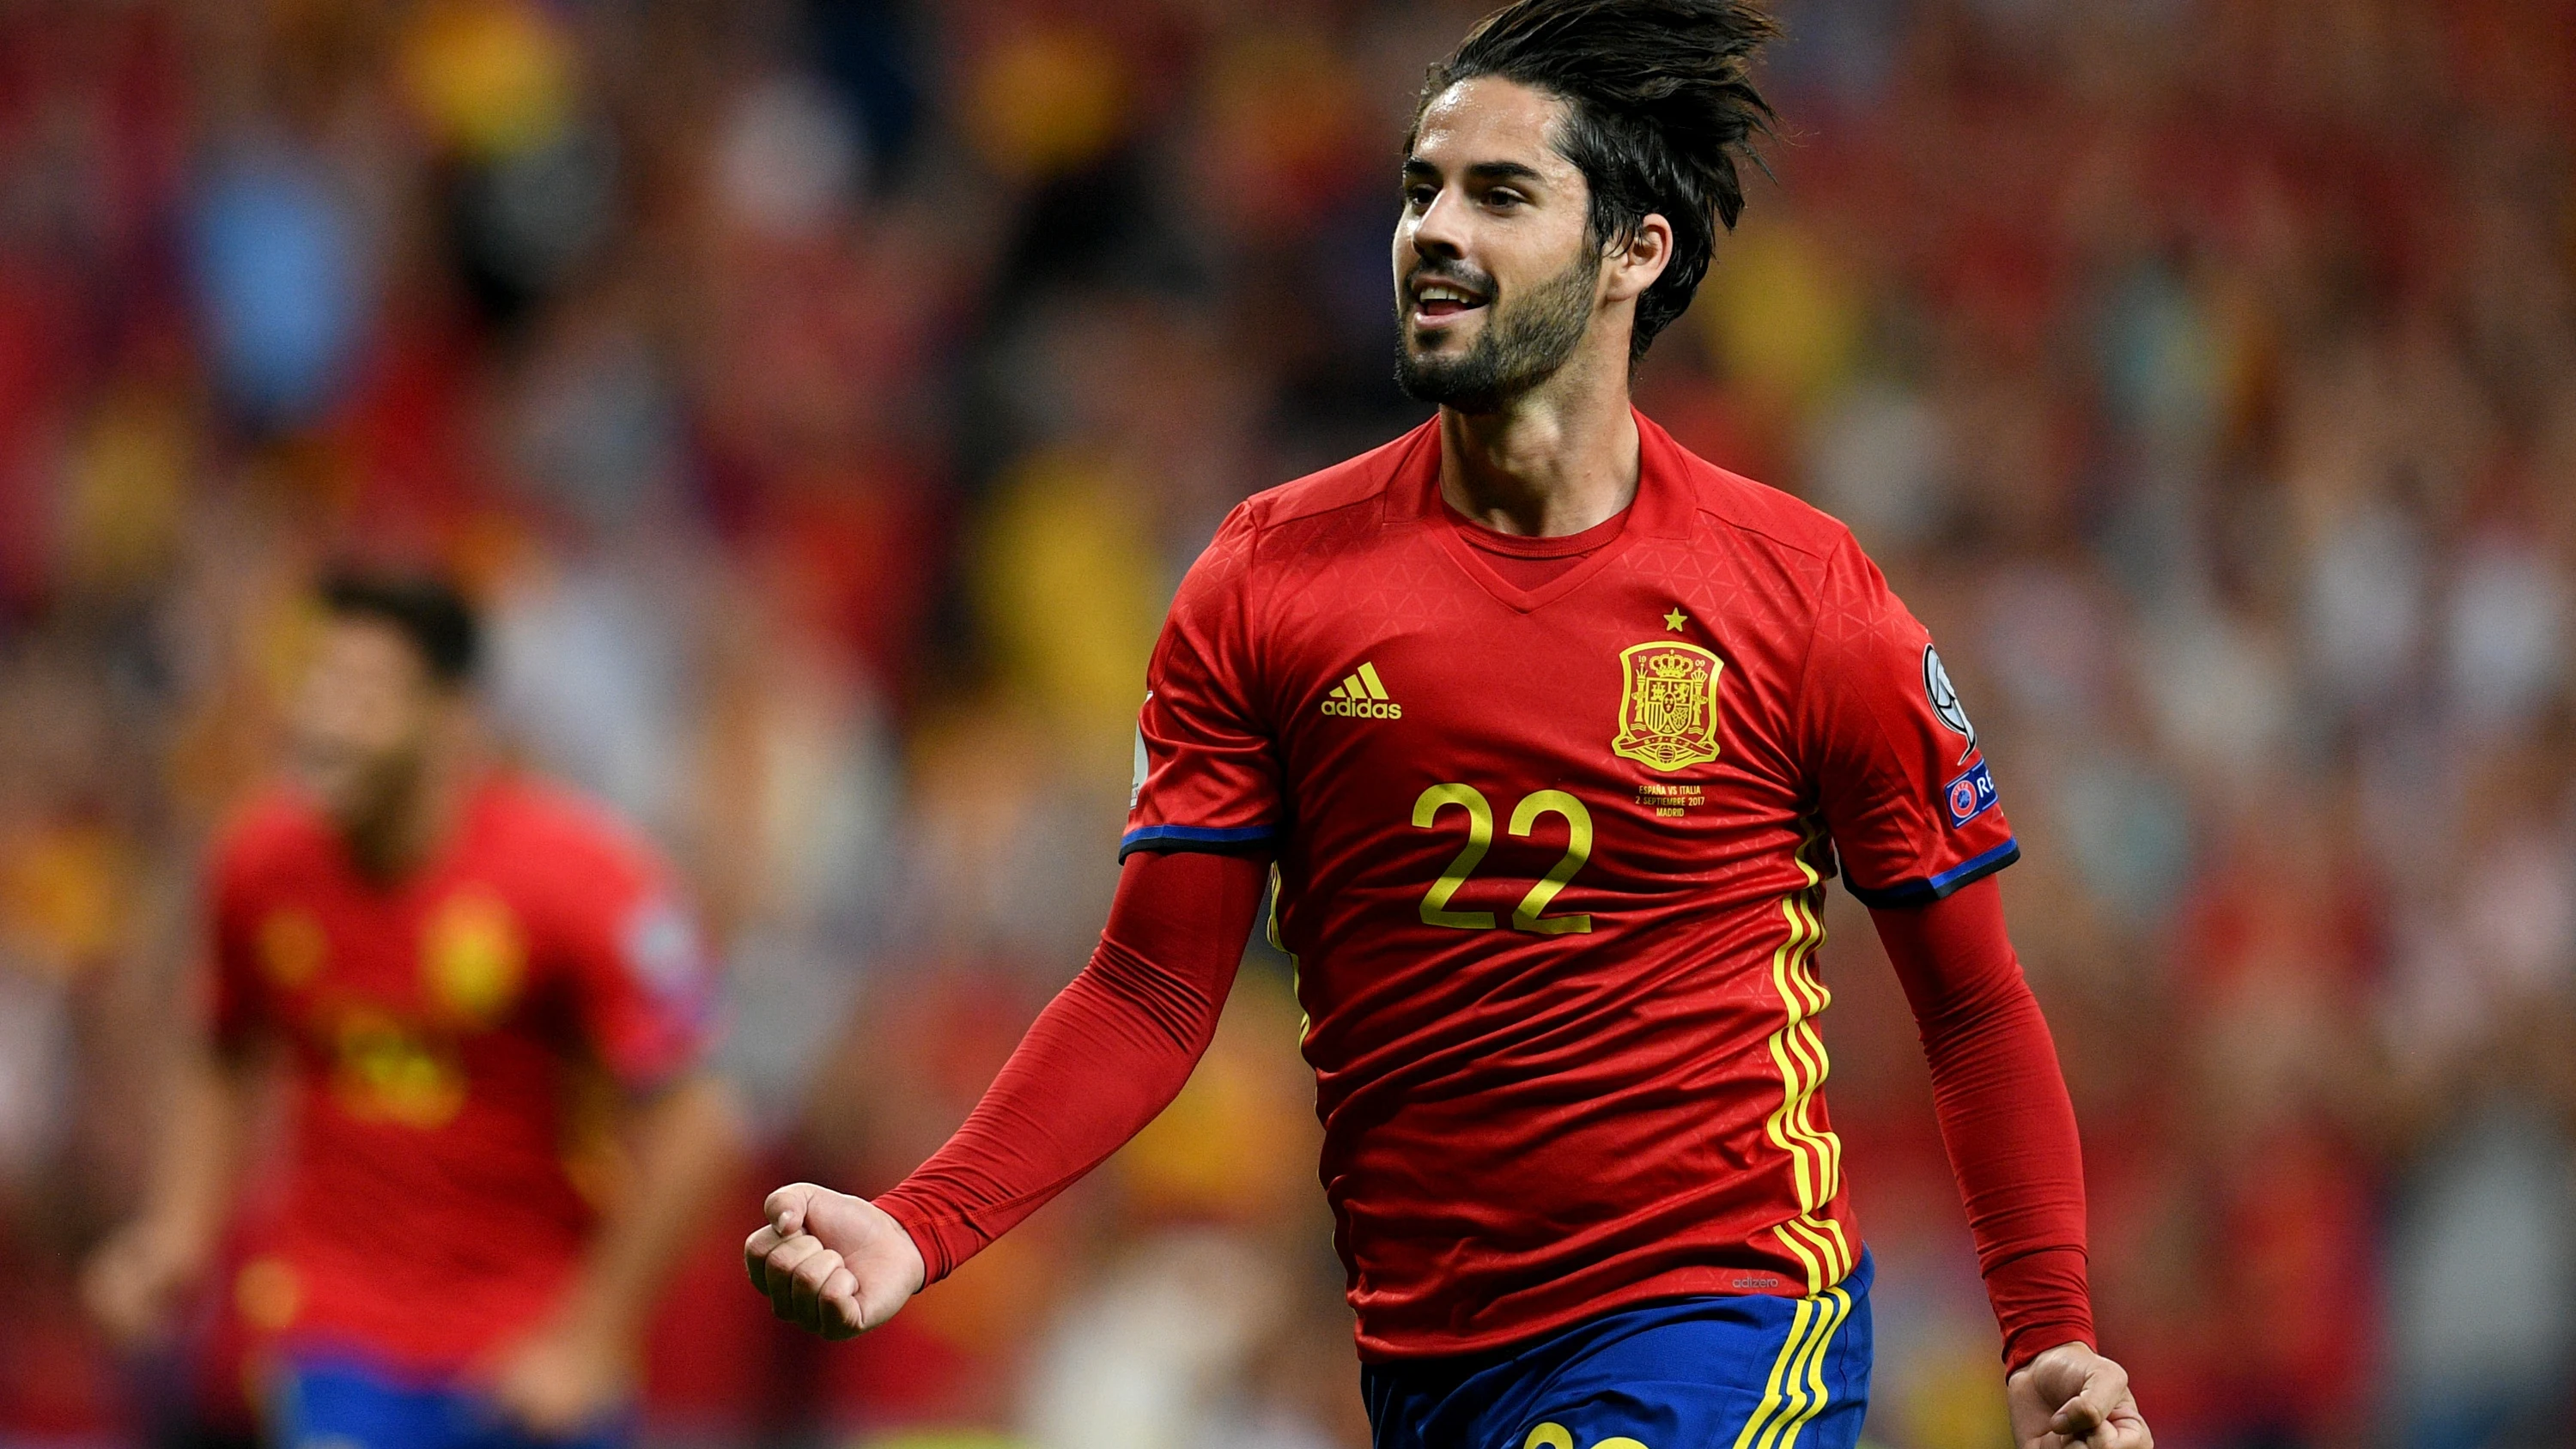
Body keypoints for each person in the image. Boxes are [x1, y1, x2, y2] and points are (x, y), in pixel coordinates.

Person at [746, 2, 2153, 1446]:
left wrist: (2046, 1331)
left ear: (1633, 249)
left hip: (1723, 1311)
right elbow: (1153, 992)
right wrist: (918, 1227)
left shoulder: (1799, 599)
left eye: (1499, 192)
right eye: (1422, 187)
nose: (1430, 228)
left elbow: (1972, 998)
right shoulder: (1266, 581)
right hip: (1432, 1362)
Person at [87, 571, 746, 1449]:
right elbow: (223, 1045)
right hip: (337, 1328)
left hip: (527, 1345)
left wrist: (593, 1333)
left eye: (362, 694)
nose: (323, 722)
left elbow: (701, 1123)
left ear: (453, 720)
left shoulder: (585, 880)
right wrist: (178, 1224)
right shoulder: (258, 863)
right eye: (315, 685)